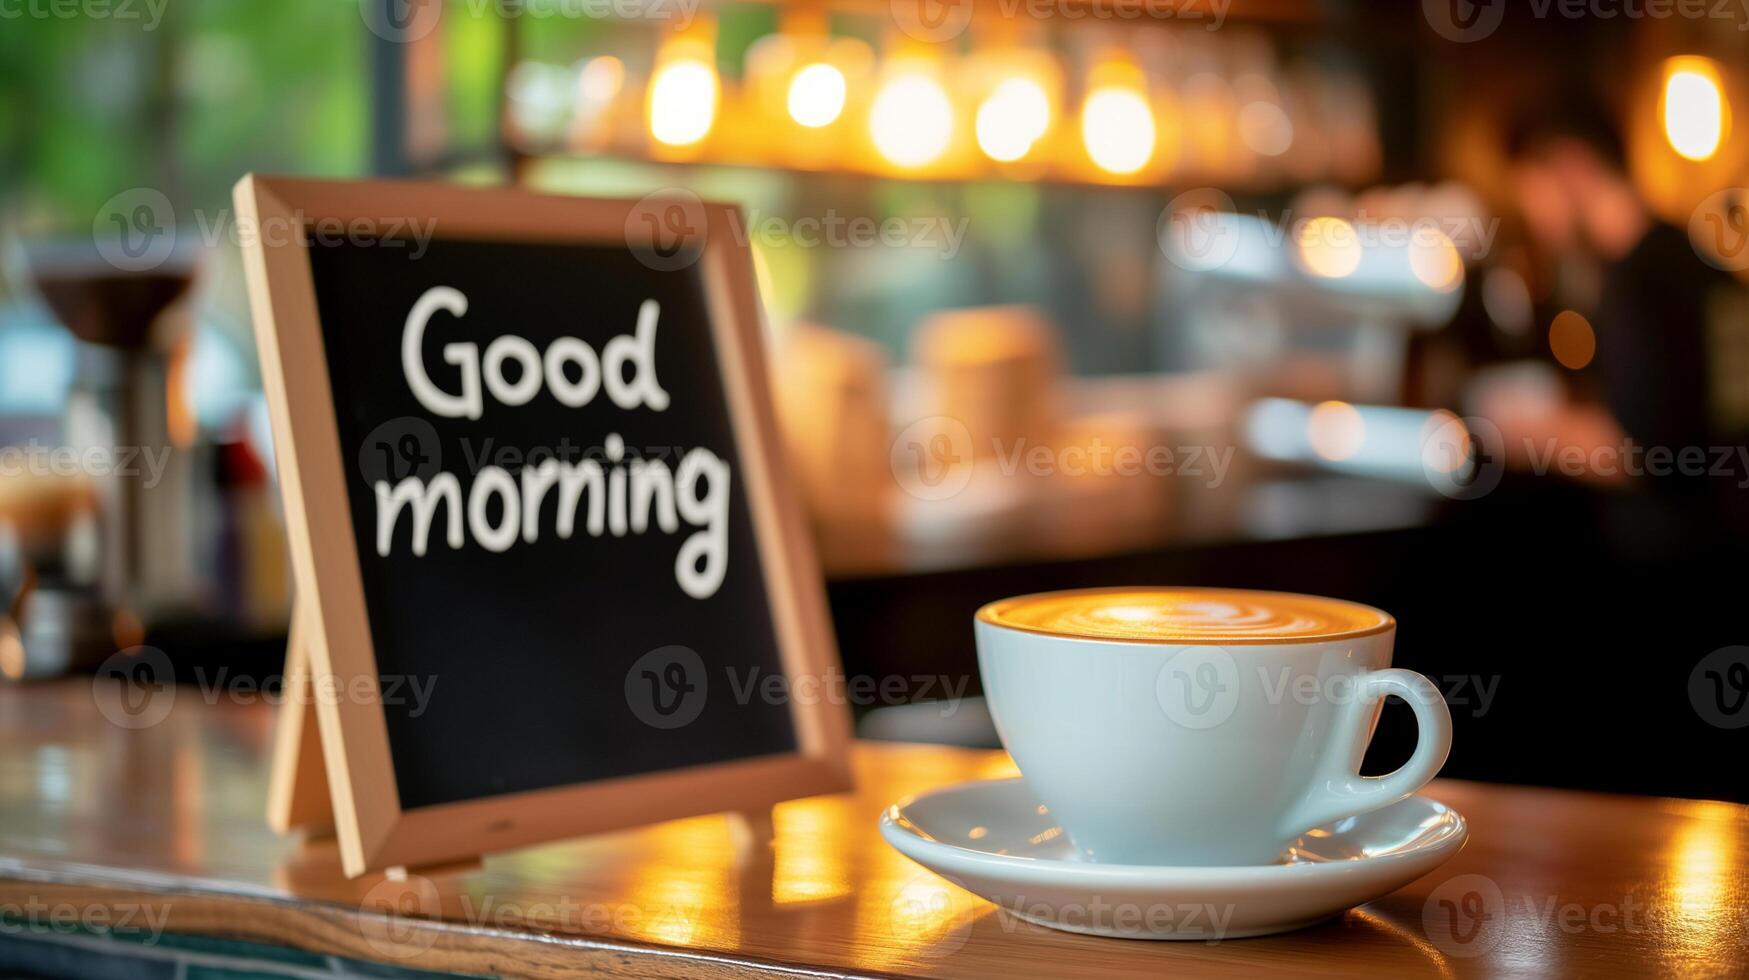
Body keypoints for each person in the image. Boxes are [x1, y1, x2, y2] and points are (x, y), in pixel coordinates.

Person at [1492, 100, 1745, 552]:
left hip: (1675, 549)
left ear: (1571, 165)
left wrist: (1525, 432)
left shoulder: (1639, 279)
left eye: (1531, 190)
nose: (1534, 216)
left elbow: (1647, 453)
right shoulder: (1688, 257)